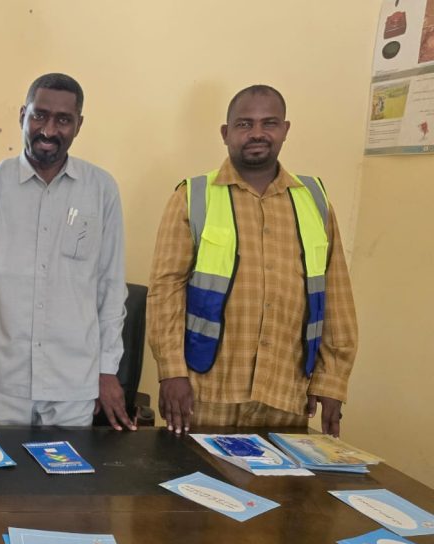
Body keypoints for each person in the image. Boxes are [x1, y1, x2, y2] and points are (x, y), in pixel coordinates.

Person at [147, 85, 358, 436]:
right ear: (225, 133)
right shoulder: (193, 197)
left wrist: (332, 379)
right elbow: (165, 291)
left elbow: (337, 294)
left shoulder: (314, 201)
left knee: (279, 475)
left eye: (269, 123)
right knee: (194, 472)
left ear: (285, 130)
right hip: (206, 394)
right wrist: (171, 372)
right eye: (245, 124)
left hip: (285, 392)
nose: (257, 133)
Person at [0, 73, 132, 430]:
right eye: (39, 116)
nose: (48, 130)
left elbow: (109, 286)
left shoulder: (101, 189)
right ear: (22, 116)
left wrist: (108, 370)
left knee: (71, 469)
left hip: (74, 384)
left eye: (63, 120)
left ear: (79, 125)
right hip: (1, 384)